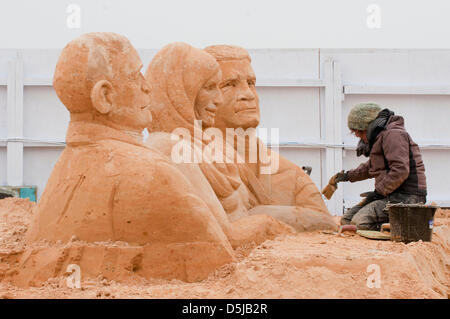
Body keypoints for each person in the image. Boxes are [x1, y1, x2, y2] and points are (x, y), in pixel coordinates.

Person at [203, 45, 337, 232]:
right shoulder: (196, 163)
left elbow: (326, 223)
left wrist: (258, 214)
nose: (248, 95)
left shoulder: (291, 175)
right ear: (204, 95)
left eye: (251, 83)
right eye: (229, 84)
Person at [332, 103, 427, 230]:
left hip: (408, 196)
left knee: (360, 223)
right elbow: (372, 167)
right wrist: (348, 176)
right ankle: (392, 221)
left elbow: (400, 170)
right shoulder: (381, 136)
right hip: (390, 194)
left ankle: (408, 224)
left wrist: (378, 192)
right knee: (347, 220)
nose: (358, 137)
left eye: (359, 133)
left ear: (367, 127)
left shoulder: (393, 135)